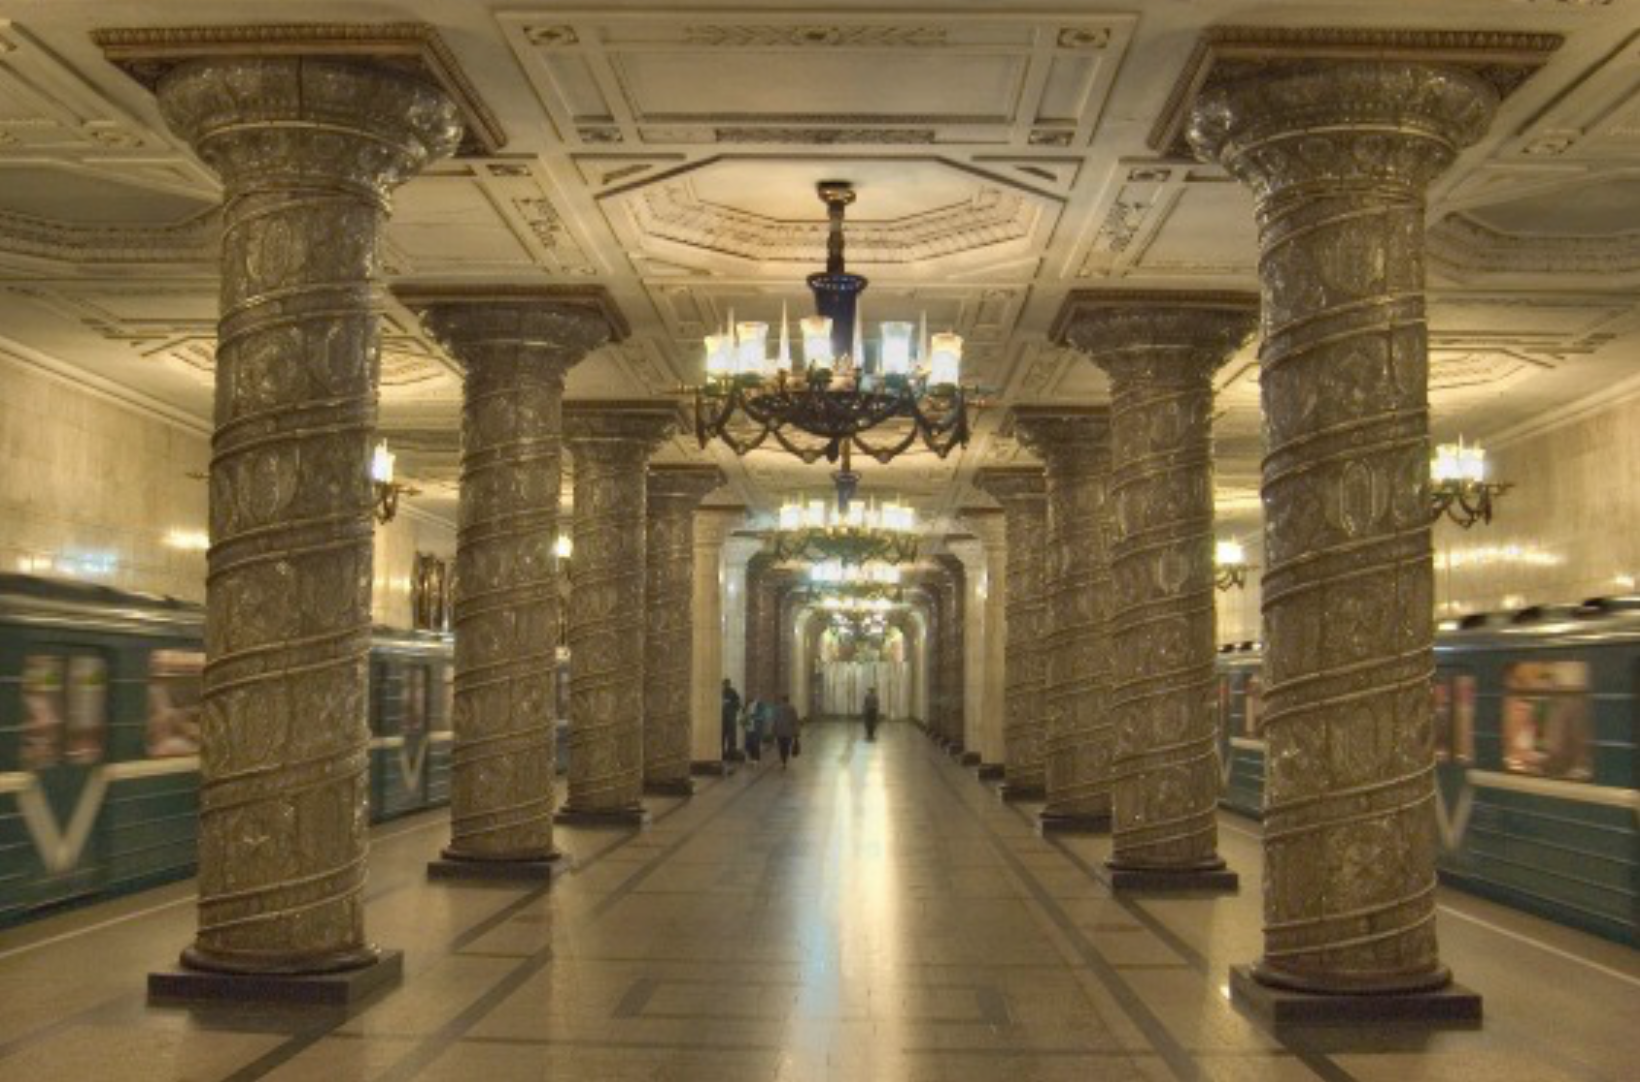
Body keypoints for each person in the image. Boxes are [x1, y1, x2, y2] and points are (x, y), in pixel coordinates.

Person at [774, 694, 801, 770]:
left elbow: (775, 721)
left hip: (780, 732)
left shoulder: (778, 708)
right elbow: (795, 721)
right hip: (788, 732)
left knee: (781, 747)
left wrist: (774, 731)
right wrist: (797, 733)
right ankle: (785, 761)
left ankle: (783, 761)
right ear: (788, 700)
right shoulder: (792, 708)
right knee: (786, 746)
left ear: (782, 700)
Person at [721, 678, 741, 760]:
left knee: (731, 736)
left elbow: (738, 704)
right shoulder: (720, 692)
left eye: (727, 684)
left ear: (729, 684)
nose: (726, 685)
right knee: (721, 736)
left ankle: (731, 754)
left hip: (730, 718)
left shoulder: (733, 692)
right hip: (722, 718)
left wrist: (730, 704)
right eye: (724, 684)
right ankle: (722, 753)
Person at [742, 697, 764, 764]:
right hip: (749, 728)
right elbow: (745, 716)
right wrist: (744, 721)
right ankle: (751, 758)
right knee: (749, 744)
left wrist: (753, 716)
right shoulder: (747, 705)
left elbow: (762, 717)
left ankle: (756, 759)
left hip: (756, 728)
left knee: (755, 744)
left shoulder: (760, 706)